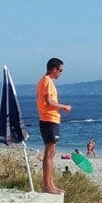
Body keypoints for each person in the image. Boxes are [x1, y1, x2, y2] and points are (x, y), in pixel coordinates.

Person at [36, 58, 71, 194]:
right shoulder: (47, 81)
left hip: (49, 120)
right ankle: (47, 186)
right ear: (54, 69)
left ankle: (50, 184)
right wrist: (64, 107)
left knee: (51, 153)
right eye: (60, 70)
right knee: (49, 153)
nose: (61, 73)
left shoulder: (44, 81)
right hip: (49, 119)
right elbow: (49, 101)